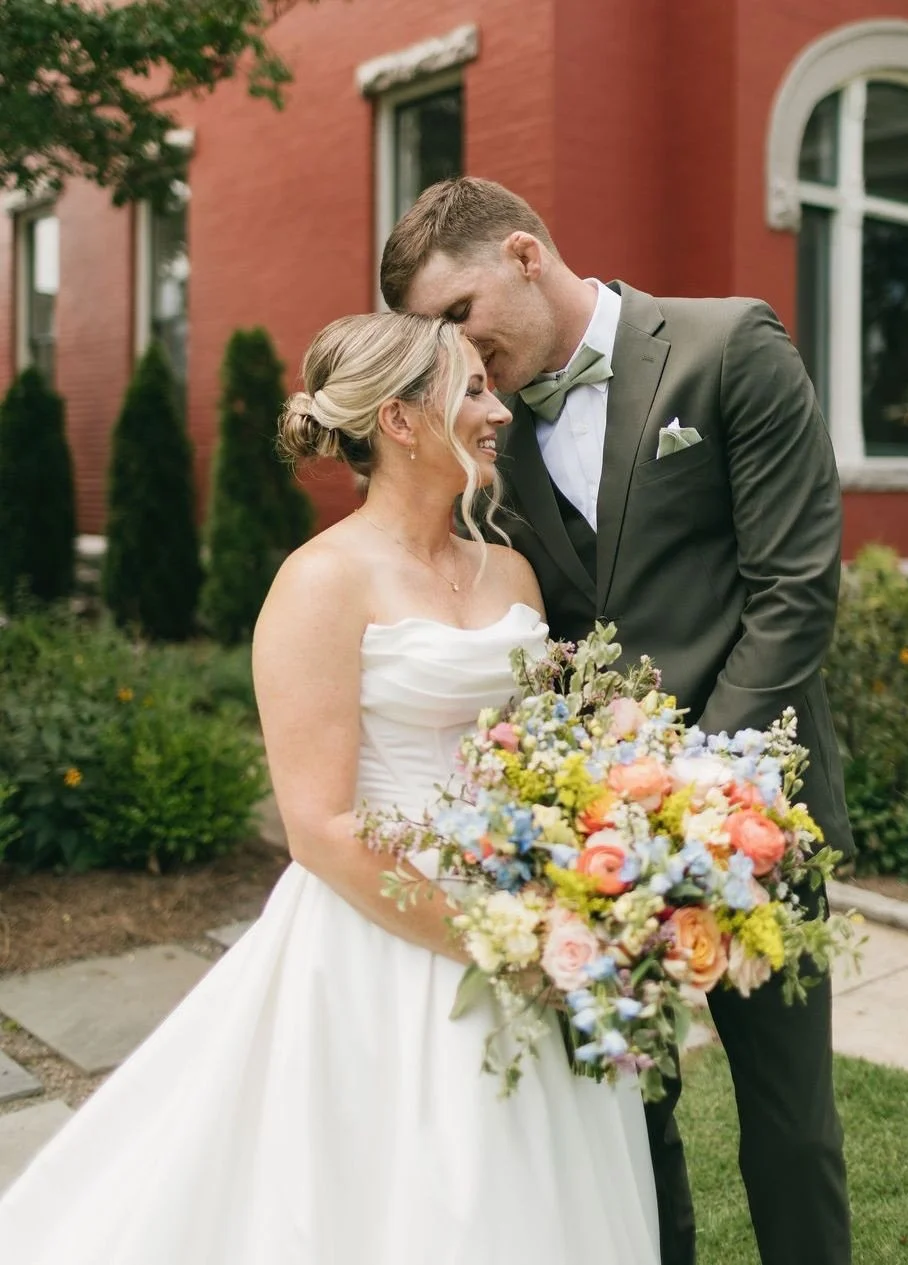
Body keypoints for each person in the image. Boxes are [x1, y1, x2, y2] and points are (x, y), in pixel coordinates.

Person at [0, 313, 661, 1265]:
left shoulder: (510, 566)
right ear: (398, 420)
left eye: (489, 385)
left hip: (531, 901)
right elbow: (318, 824)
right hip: (382, 926)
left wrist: (587, 861)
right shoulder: (319, 582)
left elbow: (541, 749)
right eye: (470, 389)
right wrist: (499, 945)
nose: (496, 410)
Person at [382, 176, 855, 1265]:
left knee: (790, 1125)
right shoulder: (486, 439)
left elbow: (793, 589)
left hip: (757, 815)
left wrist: (699, 792)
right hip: (589, 846)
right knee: (626, 1129)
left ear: (521, 254)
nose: (454, 353)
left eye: (456, 316)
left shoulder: (727, 345)